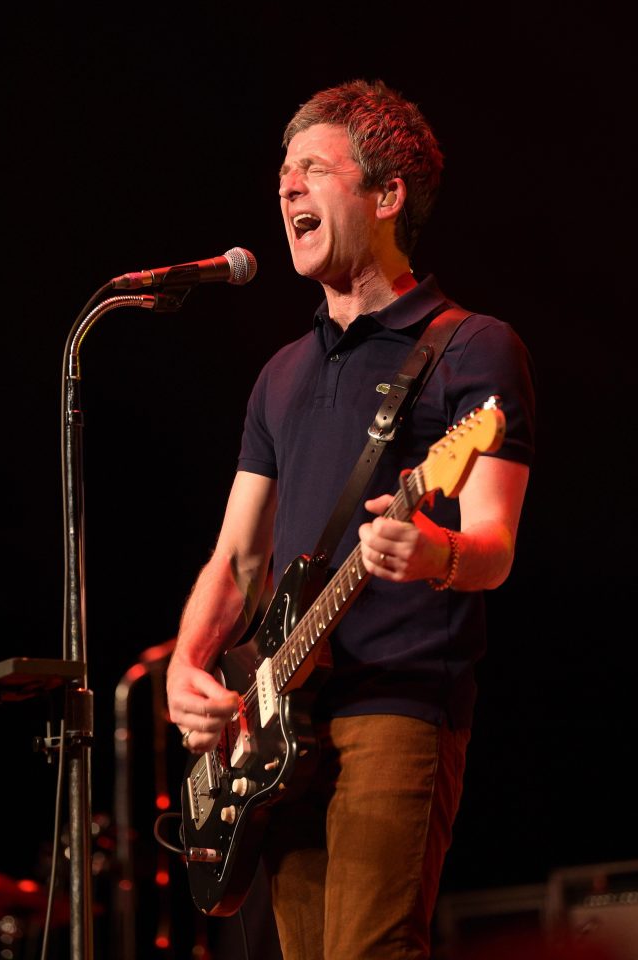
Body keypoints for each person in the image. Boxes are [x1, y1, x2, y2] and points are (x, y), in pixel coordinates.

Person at [166, 79, 535, 959]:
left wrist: (433, 551)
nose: (287, 188)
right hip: (281, 717)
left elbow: (493, 551)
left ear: (386, 194)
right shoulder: (279, 374)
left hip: (398, 702)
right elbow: (238, 558)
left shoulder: (471, 347)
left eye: (314, 170)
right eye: (283, 173)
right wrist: (187, 665)